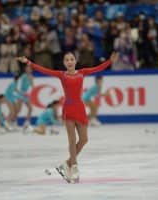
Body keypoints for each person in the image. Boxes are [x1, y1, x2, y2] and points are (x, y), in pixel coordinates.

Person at [16, 51, 118, 183]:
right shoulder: (61, 75)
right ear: (64, 63)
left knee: (84, 139)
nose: (70, 62)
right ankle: (74, 167)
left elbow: (98, 68)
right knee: (72, 140)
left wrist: (110, 61)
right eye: (67, 60)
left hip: (80, 109)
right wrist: (28, 62)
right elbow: (45, 70)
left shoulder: (83, 72)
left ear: (75, 61)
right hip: (69, 109)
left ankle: (66, 164)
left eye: (72, 59)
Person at [16, 65, 34, 129]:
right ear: (25, 70)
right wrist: (22, 93)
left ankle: (27, 122)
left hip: (26, 95)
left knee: (30, 109)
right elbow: (18, 85)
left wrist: (32, 93)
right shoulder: (23, 76)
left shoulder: (31, 76)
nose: (28, 70)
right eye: (27, 69)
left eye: (29, 69)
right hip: (21, 94)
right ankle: (14, 123)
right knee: (18, 110)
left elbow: (32, 86)